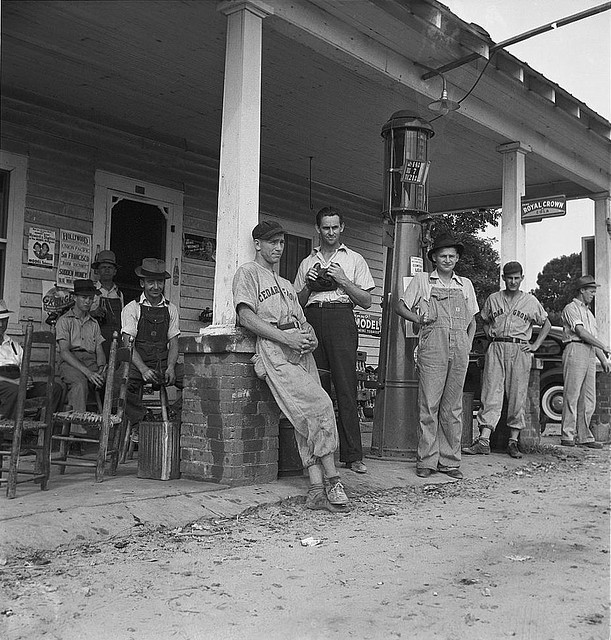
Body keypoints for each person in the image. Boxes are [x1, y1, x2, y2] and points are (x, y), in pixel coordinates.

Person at [233, 220, 349, 512]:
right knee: (319, 404)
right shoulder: (248, 273)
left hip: (299, 350)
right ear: (258, 244)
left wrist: (309, 337)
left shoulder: (286, 284)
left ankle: (315, 490)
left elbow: (303, 319)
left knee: (303, 418)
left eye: (281, 243)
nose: (278, 248)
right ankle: (333, 479)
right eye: (272, 242)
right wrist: (285, 337)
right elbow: (246, 317)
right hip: (274, 350)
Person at [294, 206, 375, 474]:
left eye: (335, 227)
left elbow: (366, 301)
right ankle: (317, 456)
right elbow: (297, 304)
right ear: (318, 229)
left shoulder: (355, 259)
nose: (330, 232)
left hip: (342, 318)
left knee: (346, 387)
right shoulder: (307, 262)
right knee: (316, 389)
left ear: (342, 228)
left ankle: (353, 456)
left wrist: (343, 280)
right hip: (313, 320)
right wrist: (308, 284)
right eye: (325, 227)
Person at [395, 232, 479, 479]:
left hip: (459, 348)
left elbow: (472, 321)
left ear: (457, 259)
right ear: (434, 257)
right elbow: (400, 306)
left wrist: (466, 343)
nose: (448, 259)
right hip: (432, 348)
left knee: (453, 407)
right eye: (443, 255)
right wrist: (418, 319)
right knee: (429, 405)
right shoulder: (423, 280)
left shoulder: (465, 284)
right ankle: (427, 460)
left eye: (452, 256)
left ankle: (450, 461)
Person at [463, 261, 551, 459]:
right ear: (503, 278)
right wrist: (490, 337)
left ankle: (513, 442)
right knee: (490, 392)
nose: (513, 281)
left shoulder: (530, 301)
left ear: (521, 278)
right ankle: (484, 440)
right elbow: (484, 320)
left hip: (519, 348)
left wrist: (535, 346)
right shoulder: (494, 298)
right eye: (509, 278)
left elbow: (546, 323)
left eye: (516, 278)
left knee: (517, 394)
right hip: (496, 346)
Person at [121, 258, 183, 438]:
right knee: (117, 383)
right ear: (142, 283)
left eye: (159, 282)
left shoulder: (171, 309)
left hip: (162, 362)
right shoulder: (132, 308)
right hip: (137, 362)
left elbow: (174, 343)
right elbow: (128, 343)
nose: (156, 287)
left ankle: (173, 414)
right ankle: (142, 419)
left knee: (196, 380)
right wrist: (143, 369)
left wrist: (171, 366)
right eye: (150, 282)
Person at [559, 275, 611, 448]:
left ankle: (584, 436)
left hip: (589, 351)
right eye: (591, 290)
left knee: (589, 398)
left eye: (594, 291)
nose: (593, 294)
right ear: (582, 290)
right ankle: (567, 434)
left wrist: (603, 359)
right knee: (572, 394)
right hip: (575, 348)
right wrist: (603, 346)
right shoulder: (571, 308)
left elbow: (591, 338)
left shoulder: (589, 313)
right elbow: (581, 333)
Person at [0, 300, 64, 420]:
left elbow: (24, 368)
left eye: (3, 321)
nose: (0, 325)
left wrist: (27, 378)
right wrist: (15, 382)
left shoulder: (13, 345)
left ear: (7, 321)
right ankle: (8, 429)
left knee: (55, 389)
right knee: (15, 390)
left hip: (19, 381)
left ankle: (36, 429)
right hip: (4, 384)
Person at [56, 280, 107, 428]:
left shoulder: (94, 323)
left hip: (91, 361)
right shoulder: (65, 320)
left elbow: (99, 350)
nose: (88, 301)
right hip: (71, 362)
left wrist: (102, 368)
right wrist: (89, 373)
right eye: (84, 297)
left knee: (114, 381)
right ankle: (75, 432)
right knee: (80, 384)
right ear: (74, 298)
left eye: (90, 298)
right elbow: (64, 352)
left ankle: (112, 433)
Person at [90, 250, 125, 360]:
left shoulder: (119, 294)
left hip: (116, 338)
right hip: (97, 338)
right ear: (98, 271)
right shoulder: (92, 291)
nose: (106, 270)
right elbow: (82, 317)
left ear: (115, 271)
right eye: (103, 267)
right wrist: (94, 313)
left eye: (110, 268)